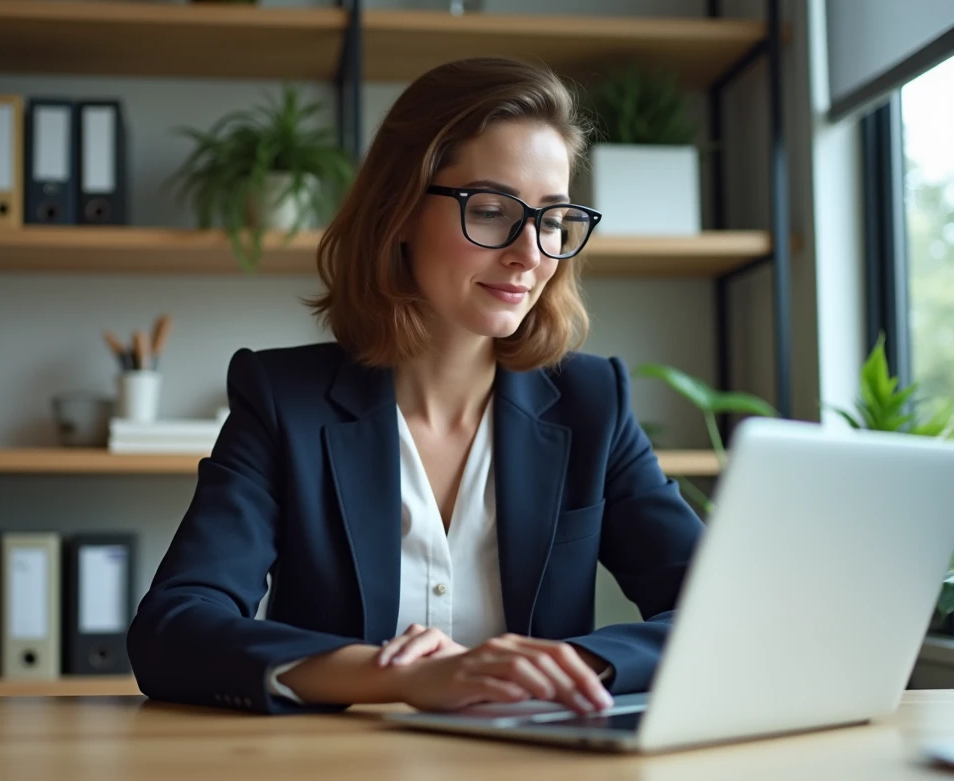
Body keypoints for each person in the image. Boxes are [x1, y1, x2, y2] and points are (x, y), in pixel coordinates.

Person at [126, 56, 705, 716]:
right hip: (338, 772)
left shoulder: (593, 403)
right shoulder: (283, 400)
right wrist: (393, 677)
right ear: (399, 212)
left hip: (540, 772)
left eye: (551, 220)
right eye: (491, 211)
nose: (530, 254)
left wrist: (566, 668)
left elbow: (718, 611)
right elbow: (175, 629)